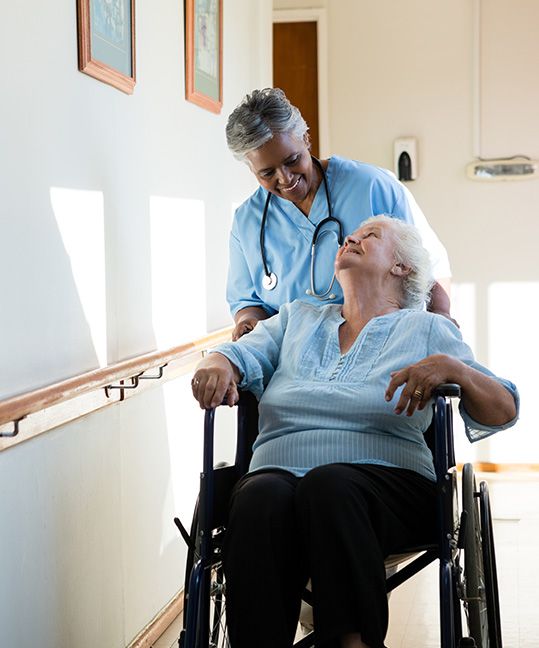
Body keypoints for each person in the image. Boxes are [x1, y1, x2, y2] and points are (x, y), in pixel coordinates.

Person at [191, 216, 519, 648]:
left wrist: (454, 369)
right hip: (279, 474)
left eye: (370, 236)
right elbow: (238, 354)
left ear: (401, 267)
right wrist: (217, 363)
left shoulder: (427, 329)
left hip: (389, 487)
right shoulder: (296, 319)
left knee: (330, 485)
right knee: (257, 497)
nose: (351, 239)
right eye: (352, 235)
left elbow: (503, 409)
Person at [225, 87, 453, 341]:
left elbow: (431, 269)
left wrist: (438, 332)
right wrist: (248, 322)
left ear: (306, 139)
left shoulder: (372, 187)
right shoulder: (248, 221)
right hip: (292, 358)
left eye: (292, 160)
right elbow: (247, 301)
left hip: (381, 345)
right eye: (267, 173)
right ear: (251, 168)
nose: (285, 178)